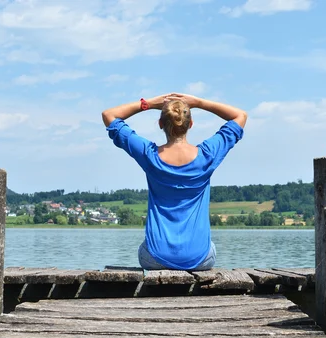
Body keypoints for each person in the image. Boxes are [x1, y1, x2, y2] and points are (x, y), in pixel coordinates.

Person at [102, 93, 247, 271]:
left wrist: (149, 104)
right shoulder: (207, 155)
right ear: (191, 124)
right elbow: (240, 116)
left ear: (161, 124)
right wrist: (199, 102)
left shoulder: (149, 155)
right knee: (211, 247)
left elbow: (109, 115)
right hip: (199, 259)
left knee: (145, 248)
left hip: (155, 258)